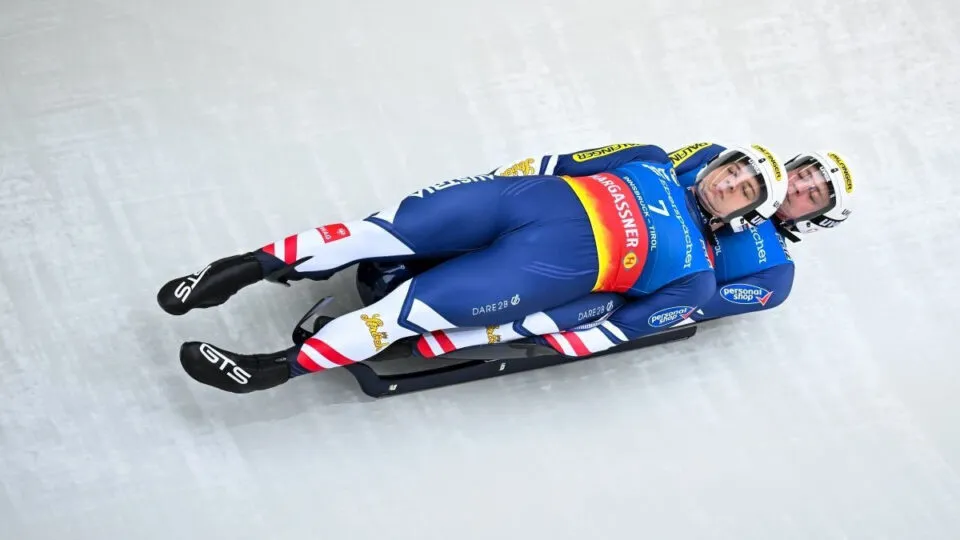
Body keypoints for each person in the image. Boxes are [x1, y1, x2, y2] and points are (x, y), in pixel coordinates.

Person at [157, 143, 786, 393]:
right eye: (733, 169)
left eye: (746, 188)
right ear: (715, 163)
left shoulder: (696, 276)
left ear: (750, 212)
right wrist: (483, 184)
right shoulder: (648, 158)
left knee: (399, 317)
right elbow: (553, 163)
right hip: (511, 204)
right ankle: (234, 272)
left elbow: (617, 329)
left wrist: (523, 332)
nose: (731, 183)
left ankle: (271, 369)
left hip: (534, 271)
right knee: (372, 230)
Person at [370, 142, 854, 358]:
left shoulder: (776, 276)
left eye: (810, 195)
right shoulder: (721, 160)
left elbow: (693, 305)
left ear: (815, 219)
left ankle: (456, 334)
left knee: (596, 295)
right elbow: (650, 175)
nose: (797, 189)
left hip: (635, 282)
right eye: (801, 177)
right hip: (603, 225)